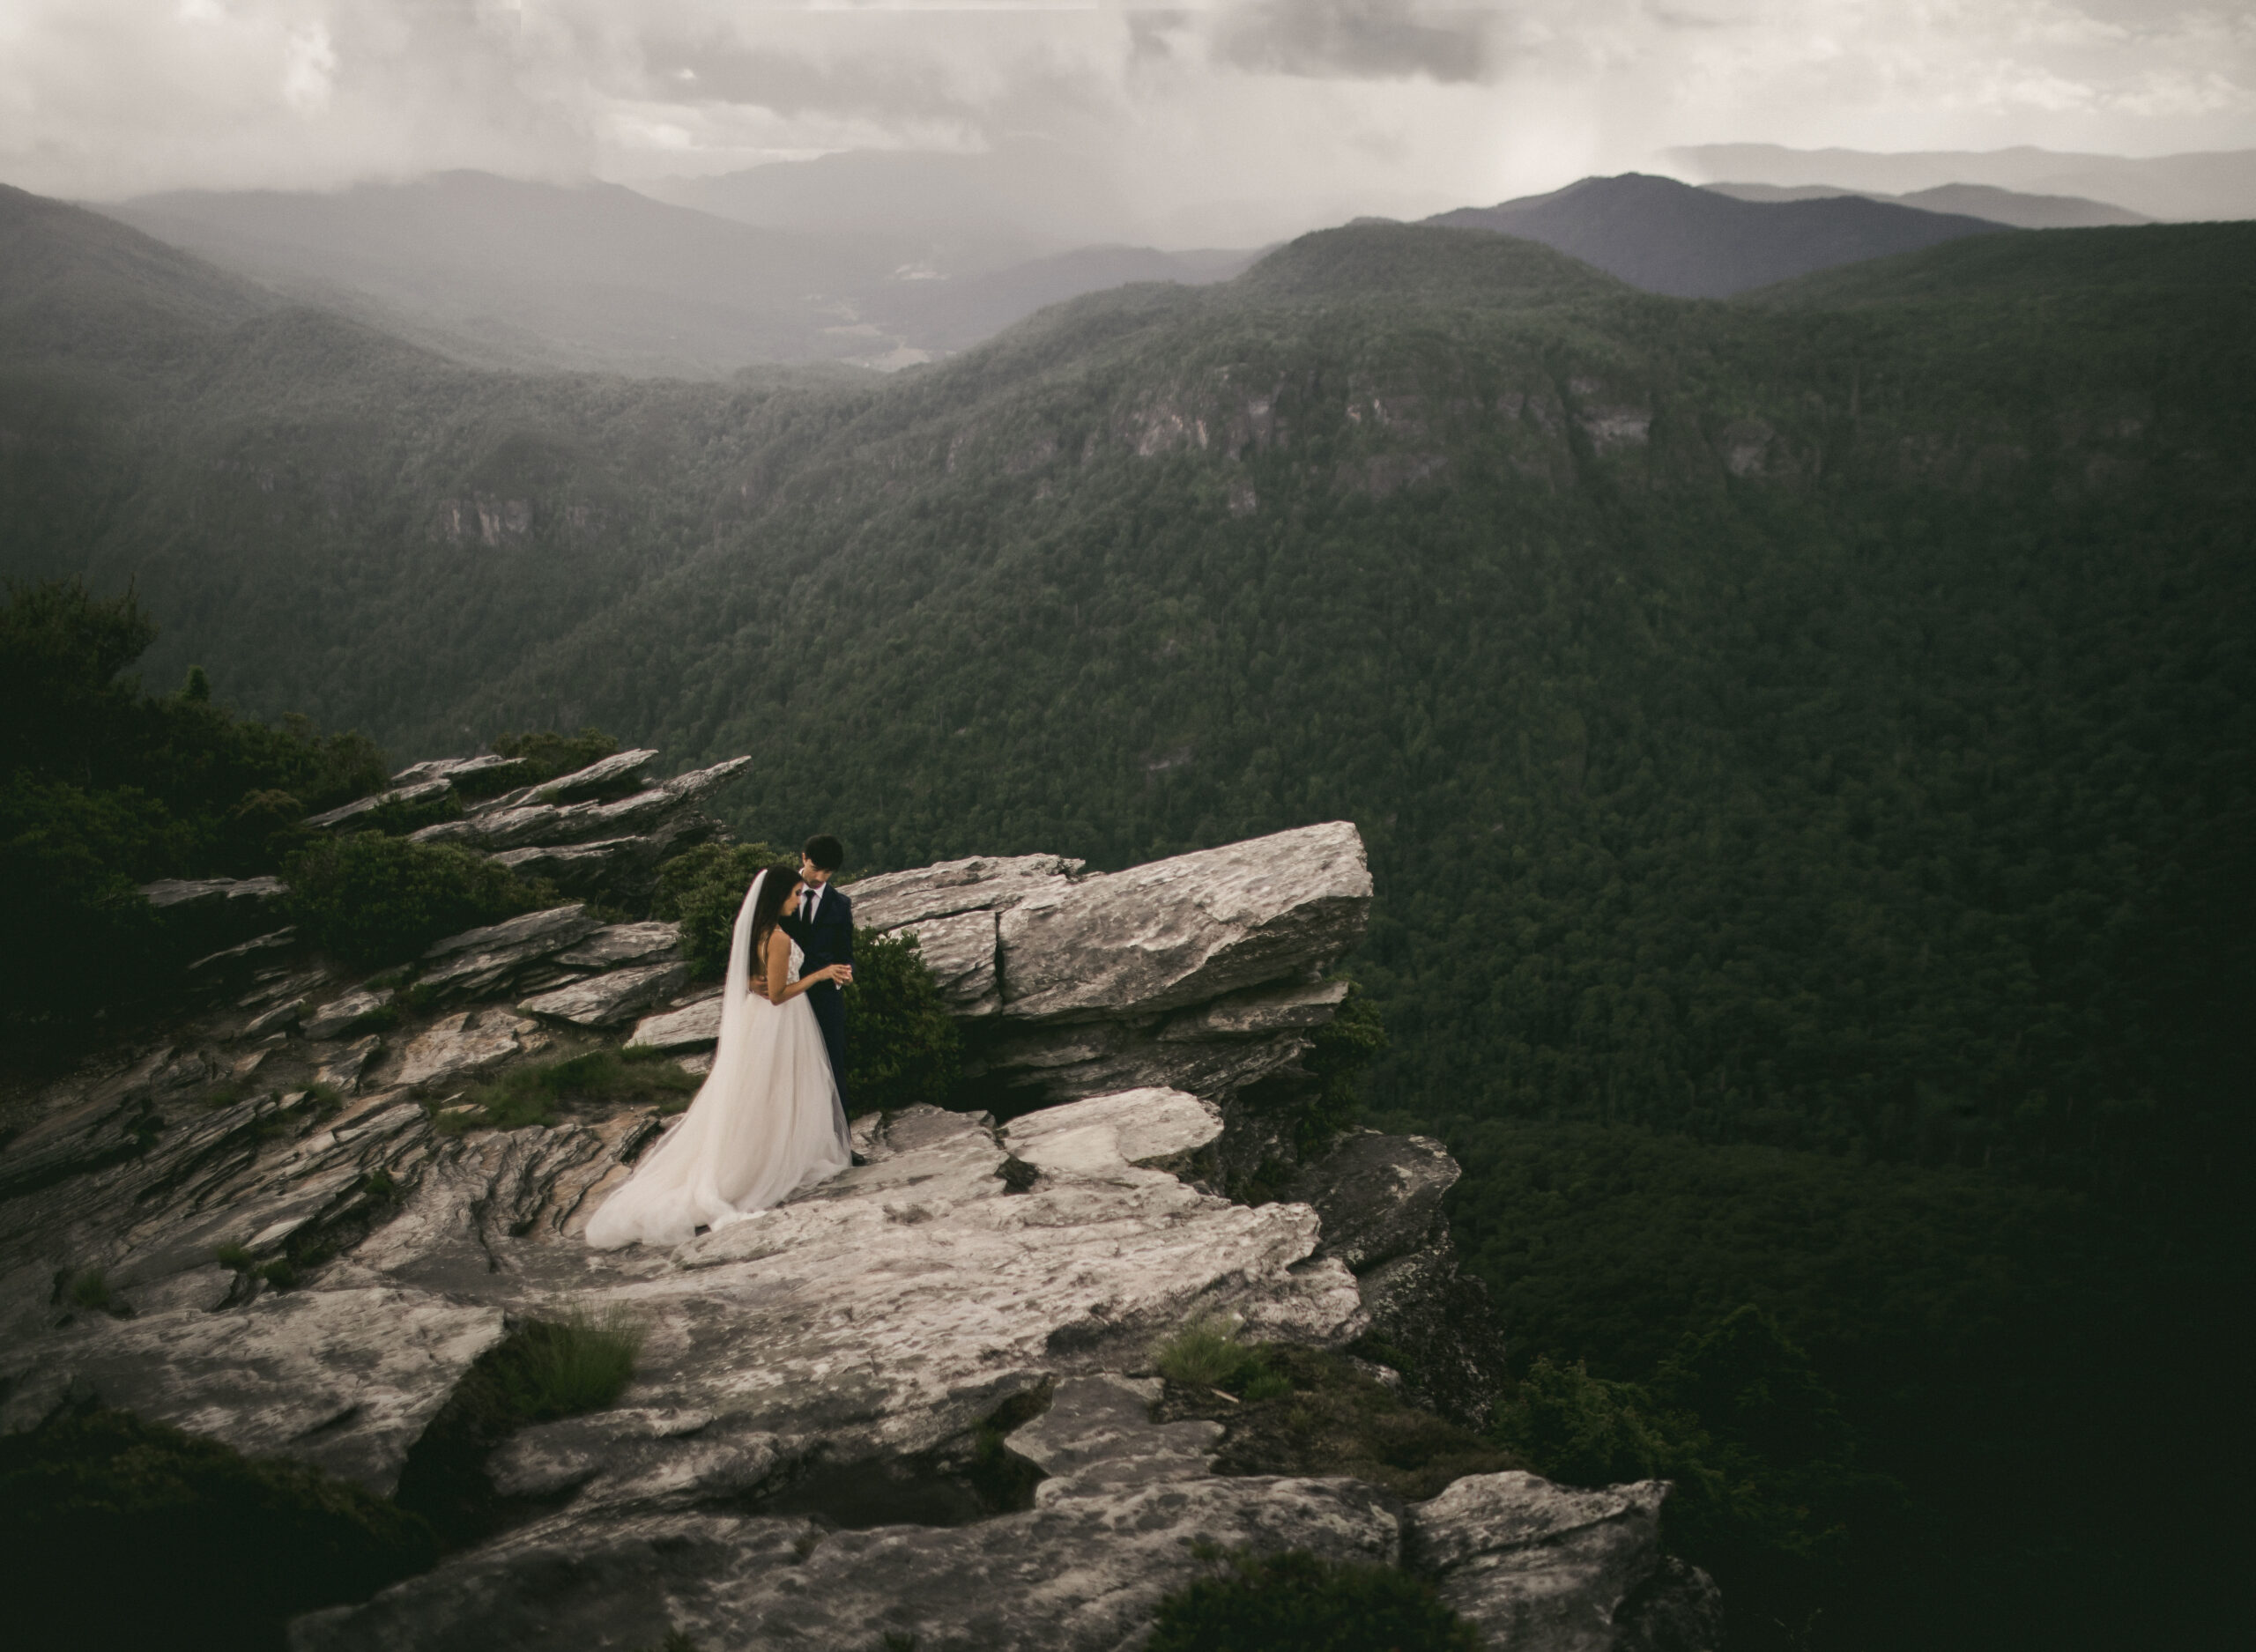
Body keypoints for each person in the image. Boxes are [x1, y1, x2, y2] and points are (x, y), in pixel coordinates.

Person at [584, 865, 850, 1248]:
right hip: (780, 1021)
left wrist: (750, 982)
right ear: (777, 897)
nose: (797, 899)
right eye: (793, 894)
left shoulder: (758, 932)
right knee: (779, 1089)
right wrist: (821, 974)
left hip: (760, 1022)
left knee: (760, 1093)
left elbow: (752, 980)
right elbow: (778, 994)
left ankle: (770, 1153)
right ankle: (771, 1160)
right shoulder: (777, 937)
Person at [777, 833, 854, 1108]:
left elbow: (846, 953)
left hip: (824, 999)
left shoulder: (841, 904)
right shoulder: (779, 891)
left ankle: (841, 1147)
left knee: (832, 1069)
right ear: (803, 858)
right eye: (815, 868)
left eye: (828, 872)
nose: (820, 876)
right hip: (782, 997)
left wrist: (845, 973)